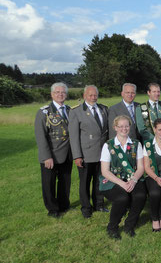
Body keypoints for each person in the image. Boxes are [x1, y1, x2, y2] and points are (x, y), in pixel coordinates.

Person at [99, 116, 146, 239]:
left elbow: (141, 167)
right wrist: (122, 183)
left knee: (140, 196)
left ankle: (129, 225)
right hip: (114, 180)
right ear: (115, 128)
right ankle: (112, 227)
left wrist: (134, 180)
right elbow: (104, 171)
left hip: (133, 178)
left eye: (127, 126)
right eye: (121, 126)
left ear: (130, 127)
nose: (124, 129)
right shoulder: (108, 145)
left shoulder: (136, 144)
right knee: (121, 198)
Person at [69, 85, 109, 218]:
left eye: (95, 95)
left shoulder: (103, 109)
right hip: (86, 154)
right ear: (85, 96)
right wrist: (77, 156)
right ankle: (86, 208)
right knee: (85, 182)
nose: (93, 97)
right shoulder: (76, 111)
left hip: (101, 153)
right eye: (90, 95)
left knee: (100, 181)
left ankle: (99, 204)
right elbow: (74, 137)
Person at [34, 82, 72, 218]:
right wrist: (46, 157)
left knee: (65, 181)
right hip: (51, 155)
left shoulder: (69, 110)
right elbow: (41, 136)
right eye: (57, 92)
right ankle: (52, 209)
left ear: (66, 94)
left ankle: (63, 205)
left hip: (67, 153)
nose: (60, 94)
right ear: (52, 94)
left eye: (63, 92)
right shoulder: (44, 112)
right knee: (48, 183)